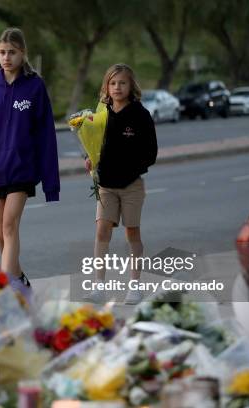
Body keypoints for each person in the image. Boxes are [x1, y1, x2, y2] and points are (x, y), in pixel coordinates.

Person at [0, 27, 60, 286]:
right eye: (2, 52)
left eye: (12, 52)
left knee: (10, 226)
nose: (6, 57)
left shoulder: (35, 86)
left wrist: (50, 183)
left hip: (22, 169)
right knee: (0, 234)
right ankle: (19, 279)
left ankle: (4, 288)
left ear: (23, 54)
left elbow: (46, 135)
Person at [85, 63, 157, 304]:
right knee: (101, 230)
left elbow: (151, 152)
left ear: (131, 85)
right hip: (105, 185)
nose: (117, 87)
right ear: (106, 86)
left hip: (131, 185)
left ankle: (135, 286)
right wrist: (90, 159)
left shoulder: (140, 114)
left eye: (122, 83)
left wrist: (131, 165)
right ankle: (98, 286)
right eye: (112, 83)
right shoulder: (101, 113)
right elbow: (93, 144)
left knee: (132, 232)